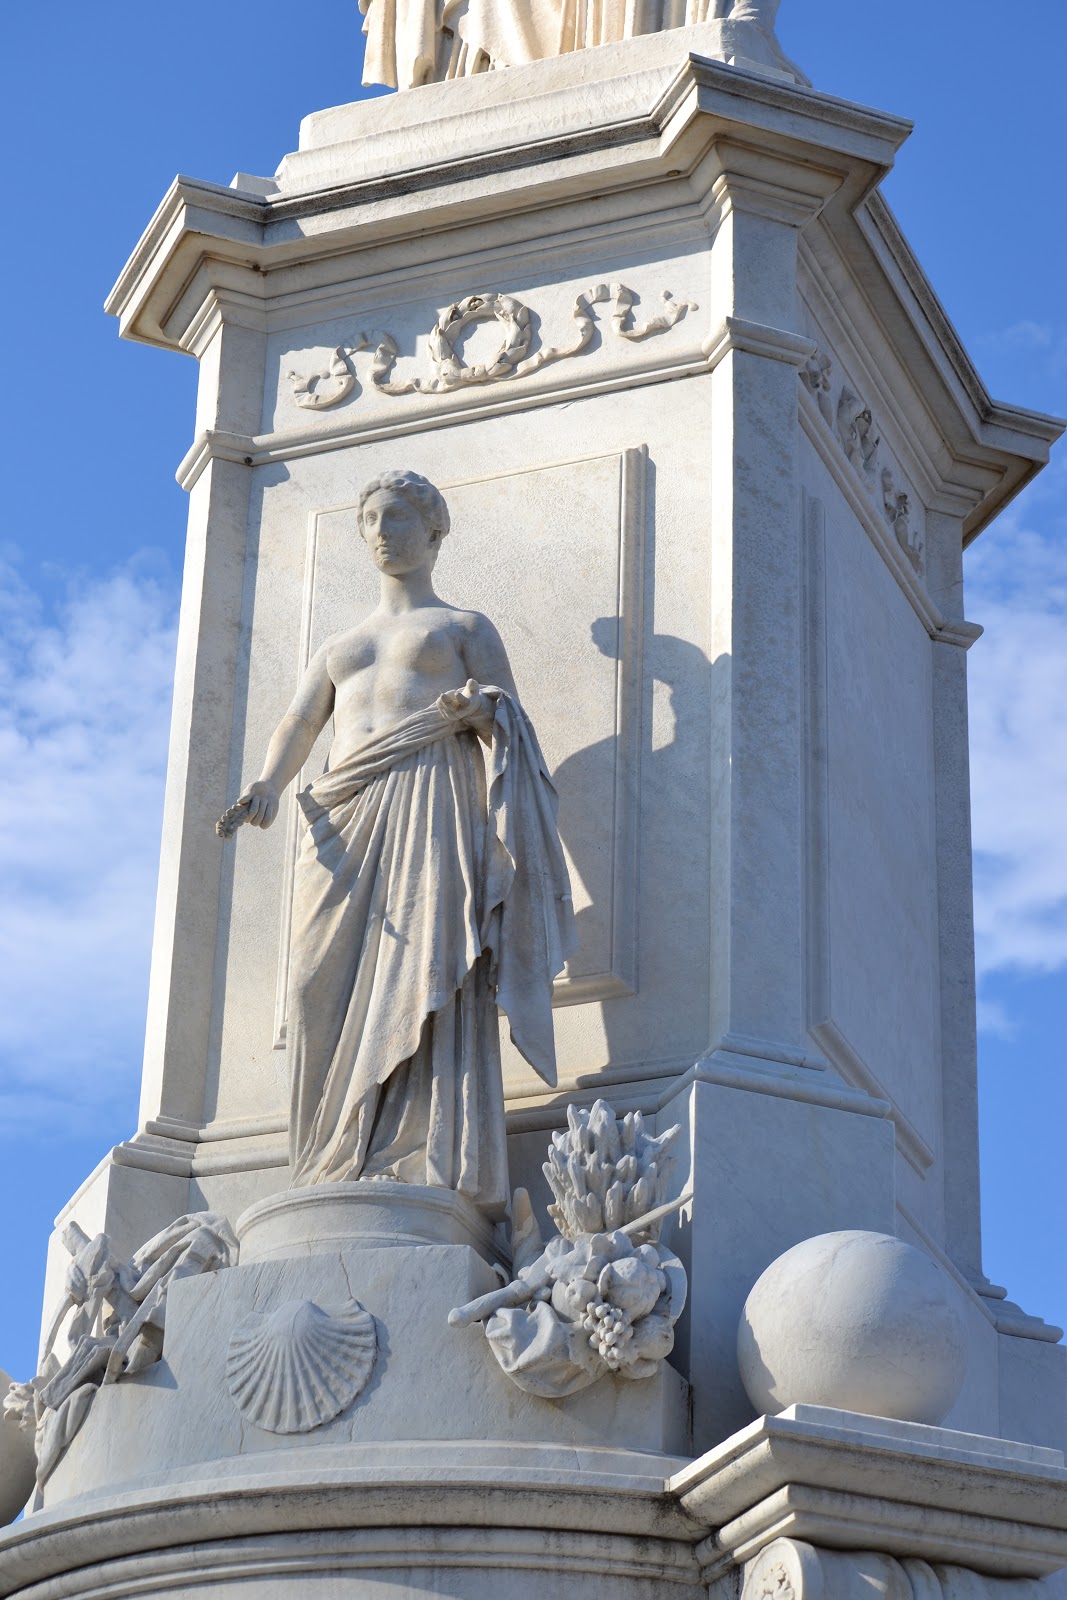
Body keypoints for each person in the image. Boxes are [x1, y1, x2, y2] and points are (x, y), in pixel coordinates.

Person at [229, 470, 575, 1217]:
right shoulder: (339, 644)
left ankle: (417, 1148)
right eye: (372, 519)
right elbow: (299, 722)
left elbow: (506, 715)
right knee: (320, 980)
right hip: (341, 812)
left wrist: (478, 710)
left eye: (398, 518)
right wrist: (265, 782)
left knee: (424, 961)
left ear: (433, 531)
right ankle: (331, 1146)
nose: (383, 531)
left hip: (428, 797)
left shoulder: (462, 626)